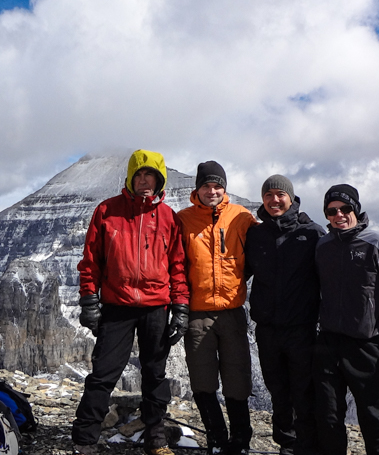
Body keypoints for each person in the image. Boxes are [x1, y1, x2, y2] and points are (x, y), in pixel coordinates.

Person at [72, 149, 190, 455]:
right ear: (130, 178)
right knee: (103, 374)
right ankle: (85, 439)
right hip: (117, 305)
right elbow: (91, 261)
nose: (144, 181)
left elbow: (178, 266)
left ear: (160, 180)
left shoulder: (169, 218)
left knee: (155, 375)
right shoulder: (107, 211)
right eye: (139, 175)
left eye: (151, 175)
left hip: (156, 307)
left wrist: (180, 308)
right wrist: (89, 300)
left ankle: (156, 439)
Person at [312, 184, 379, 455]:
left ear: (356, 209)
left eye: (345, 208)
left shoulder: (377, 243)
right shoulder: (323, 246)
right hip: (328, 344)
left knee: (374, 418)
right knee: (328, 417)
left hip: (366, 346)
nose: (339, 215)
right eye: (331, 211)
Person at [177, 161, 258, 455]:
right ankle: (216, 439)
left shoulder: (241, 217)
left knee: (237, 380)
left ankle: (240, 441)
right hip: (197, 314)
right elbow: (175, 263)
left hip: (232, 312)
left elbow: (261, 250)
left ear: (224, 188)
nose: (212, 191)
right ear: (197, 189)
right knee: (203, 381)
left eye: (217, 186)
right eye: (206, 186)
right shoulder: (183, 220)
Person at [244, 175, 326, 455]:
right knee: (277, 391)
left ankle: (307, 446)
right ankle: (287, 445)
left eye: (280, 194)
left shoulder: (311, 233)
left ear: (291, 198)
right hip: (267, 329)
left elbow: (330, 277)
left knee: (304, 391)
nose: (274, 200)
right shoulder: (256, 235)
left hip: (301, 329)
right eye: (268, 195)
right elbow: (240, 272)